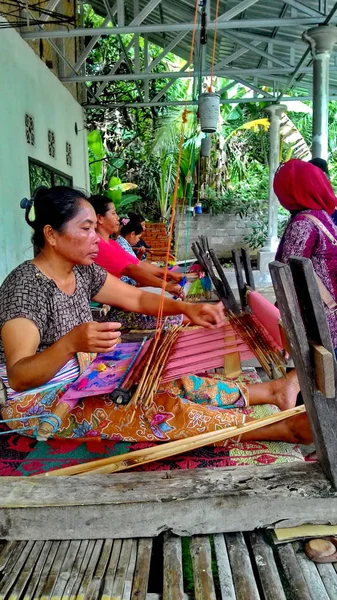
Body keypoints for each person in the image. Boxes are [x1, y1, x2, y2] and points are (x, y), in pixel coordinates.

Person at [0, 186, 310, 444]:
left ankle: (272, 390)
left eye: (96, 227)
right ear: (51, 235)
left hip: (84, 378)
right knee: (153, 408)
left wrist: (186, 308)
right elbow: (20, 376)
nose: (97, 237)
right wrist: (70, 343)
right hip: (38, 402)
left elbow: (134, 296)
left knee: (170, 382)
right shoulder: (25, 288)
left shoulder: (82, 272)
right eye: (86, 229)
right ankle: (279, 429)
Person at [90, 195, 184, 329]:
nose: (117, 218)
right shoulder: (98, 245)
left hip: (118, 302)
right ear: (99, 218)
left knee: (169, 309)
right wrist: (166, 285)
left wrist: (169, 275)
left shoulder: (111, 243)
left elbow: (138, 264)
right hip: (106, 311)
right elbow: (131, 270)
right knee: (170, 316)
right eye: (113, 213)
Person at [274, 158, 337, 350]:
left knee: (323, 377)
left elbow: (288, 280)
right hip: (330, 317)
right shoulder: (322, 216)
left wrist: (278, 322)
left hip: (319, 323)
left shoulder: (303, 223)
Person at [116, 219, 145, 286]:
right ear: (132, 234)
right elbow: (133, 268)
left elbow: (134, 263)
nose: (138, 240)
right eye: (138, 237)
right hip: (124, 286)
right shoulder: (123, 246)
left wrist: (140, 254)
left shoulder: (123, 243)